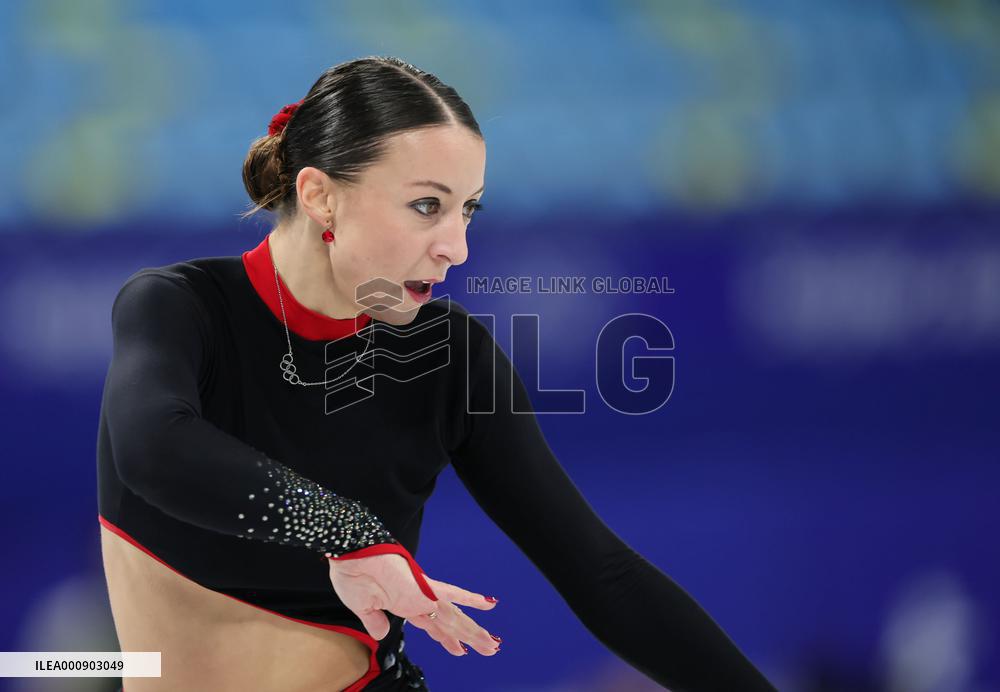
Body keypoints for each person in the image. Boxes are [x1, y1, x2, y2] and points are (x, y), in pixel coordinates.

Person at [97, 56, 776, 692]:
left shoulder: (450, 356)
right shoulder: (181, 308)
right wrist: (350, 533)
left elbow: (603, 575)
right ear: (321, 196)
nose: (456, 246)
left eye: (468, 209)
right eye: (427, 206)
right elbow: (154, 449)